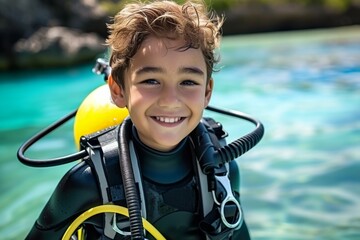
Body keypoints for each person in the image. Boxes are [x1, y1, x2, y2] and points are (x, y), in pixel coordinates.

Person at [25, 1, 251, 239]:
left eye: (188, 82)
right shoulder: (87, 182)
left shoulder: (222, 172)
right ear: (118, 90)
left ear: (207, 92)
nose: (170, 100)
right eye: (151, 80)